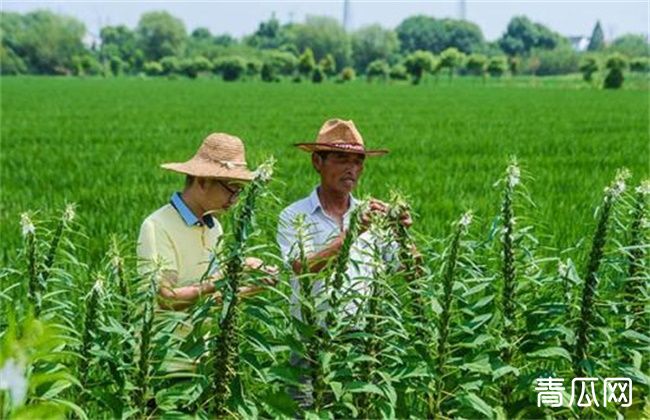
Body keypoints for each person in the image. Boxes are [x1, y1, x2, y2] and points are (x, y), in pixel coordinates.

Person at [137, 132, 277, 311]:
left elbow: (213, 298)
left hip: (204, 339)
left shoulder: (214, 227)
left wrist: (256, 286)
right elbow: (167, 300)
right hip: (166, 339)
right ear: (203, 181)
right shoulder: (157, 226)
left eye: (239, 192)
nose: (234, 200)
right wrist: (232, 270)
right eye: (231, 190)